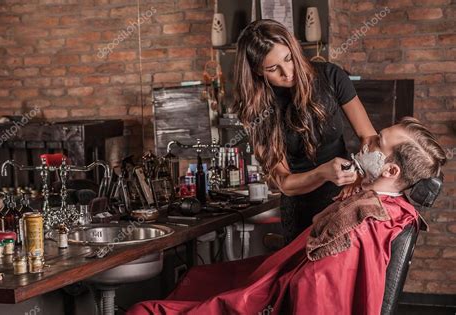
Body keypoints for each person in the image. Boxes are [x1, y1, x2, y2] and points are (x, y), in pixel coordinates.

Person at [127, 117, 446, 314]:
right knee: (197, 279)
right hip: (272, 283)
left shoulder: (365, 221)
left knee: (146, 309)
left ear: (390, 169)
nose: (368, 139)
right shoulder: (389, 207)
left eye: (378, 141)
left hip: (268, 299)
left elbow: (317, 292)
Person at [232, 19, 378, 244]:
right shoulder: (257, 111)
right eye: (273, 69)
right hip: (300, 212)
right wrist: (322, 173)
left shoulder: (331, 76)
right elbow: (284, 182)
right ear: (257, 71)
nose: (287, 72)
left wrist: (360, 174)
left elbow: (369, 137)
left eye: (288, 58)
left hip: (346, 200)